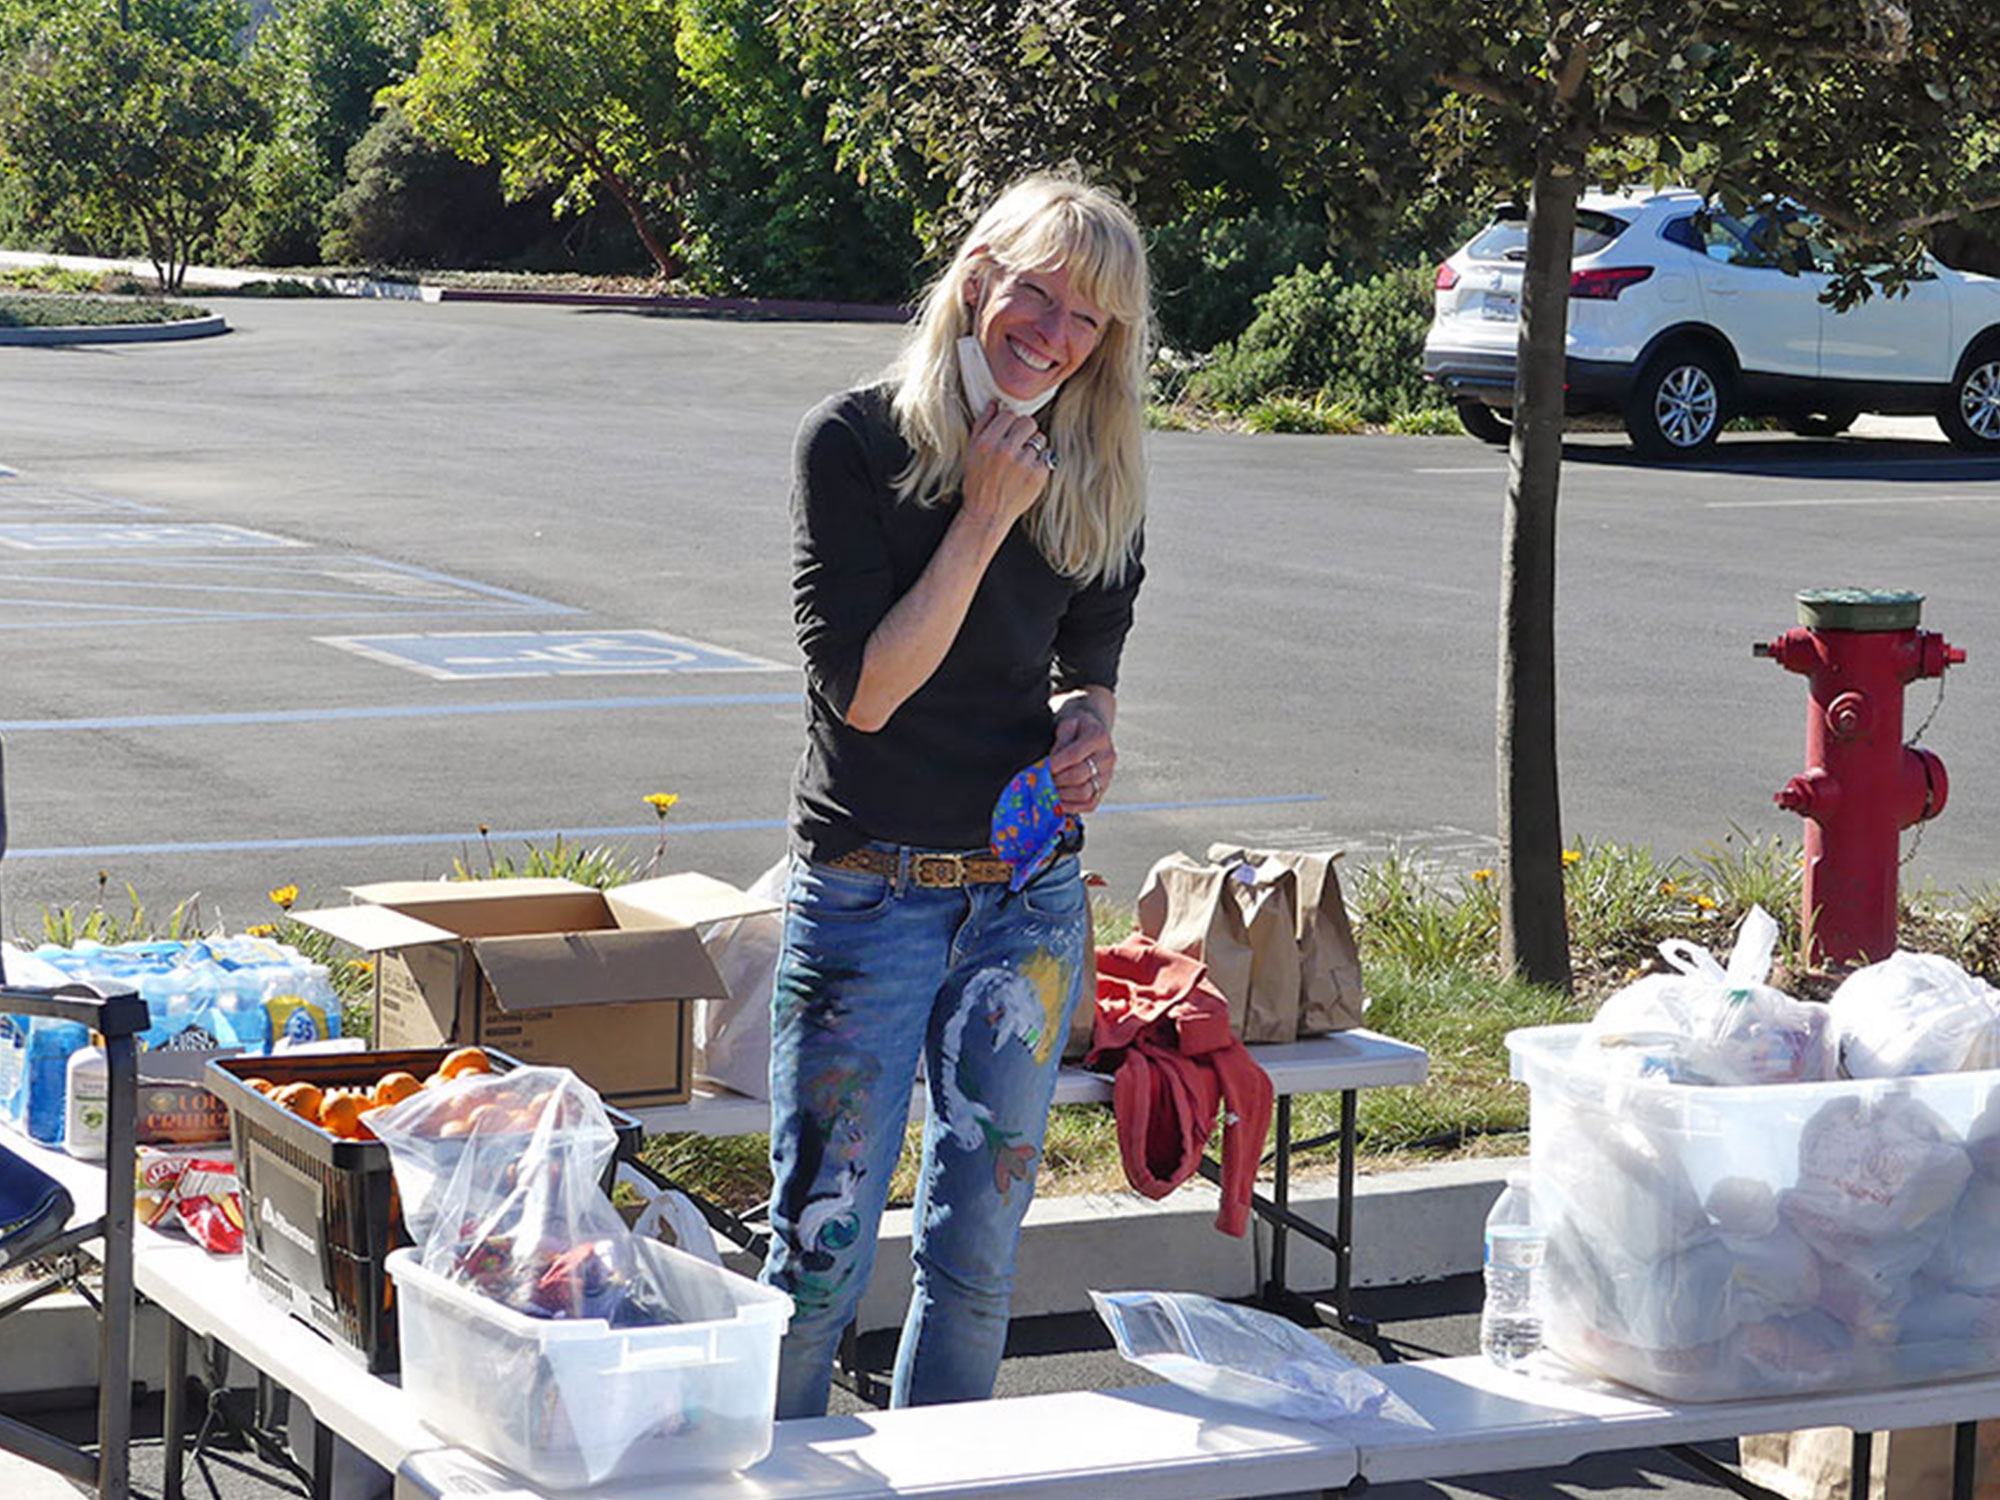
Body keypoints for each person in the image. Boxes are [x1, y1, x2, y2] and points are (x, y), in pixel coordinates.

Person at [763, 173, 1152, 1417]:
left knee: (975, 1266)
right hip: (868, 894)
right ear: (977, 273)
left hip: (1021, 905)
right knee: (817, 1259)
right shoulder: (857, 441)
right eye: (1034, 293)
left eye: (1084, 318)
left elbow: (1083, 677)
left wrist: (1085, 737)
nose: (1050, 333)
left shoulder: (1094, 469)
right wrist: (981, 518)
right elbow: (866, 694)